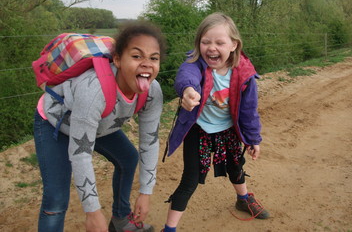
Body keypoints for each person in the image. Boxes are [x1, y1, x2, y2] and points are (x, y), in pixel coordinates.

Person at [33, 21, 166, 232]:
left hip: (97, 124)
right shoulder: (94, 90)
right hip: (56, 123)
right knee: (56, 200)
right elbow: (81, 154)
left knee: (128, 158)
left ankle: (121, 219)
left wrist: (145, 193)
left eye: (154, 58)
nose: (146, 64)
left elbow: (149, 142)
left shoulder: (152, 91)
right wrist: (93, 213)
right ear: (118, 60)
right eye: (136, 56)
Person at [161, 12, 269, 232]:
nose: (211, 47)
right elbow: (186, 75)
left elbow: (248, 112)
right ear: (198, 43)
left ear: (233, 45)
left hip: (228, 131)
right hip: (198, 130)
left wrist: (252, 139)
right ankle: (169, 229)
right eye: (205, 41)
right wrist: (189, 90)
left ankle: (243, 199)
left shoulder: (245, 74)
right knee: (190, 180)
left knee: (236, 168)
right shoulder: (196, 65)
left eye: (219, 42)